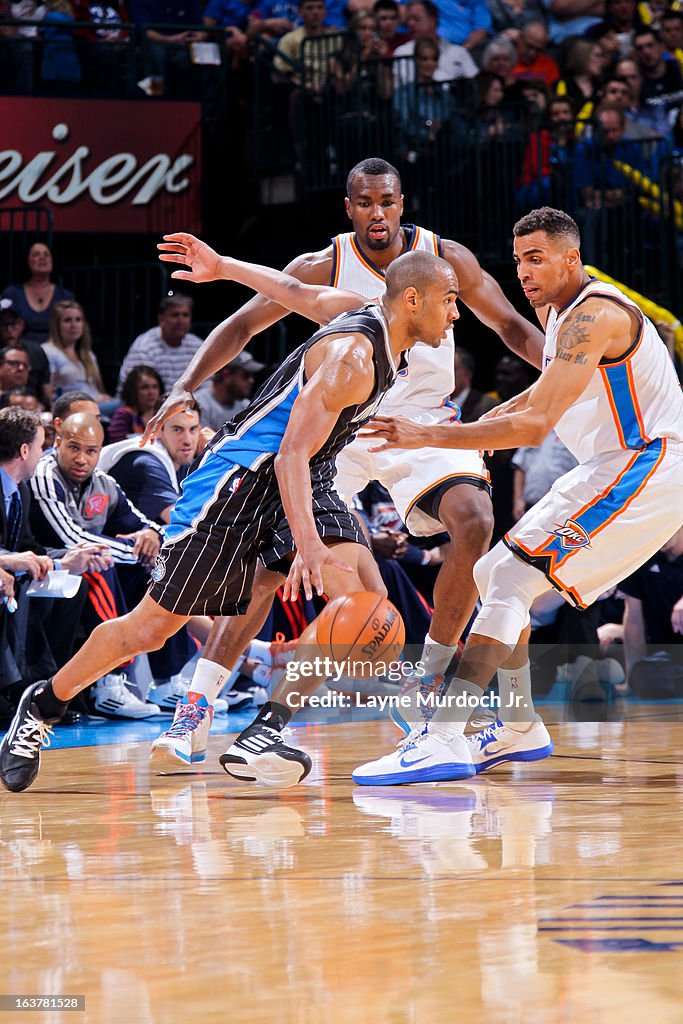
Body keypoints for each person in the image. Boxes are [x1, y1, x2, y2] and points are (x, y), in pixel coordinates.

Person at [0, 245, 459, 792]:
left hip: (306, 473)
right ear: (412, 300)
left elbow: (293, 292)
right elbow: (287, 452)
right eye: (449, 301)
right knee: (148, 630)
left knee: (361, 597)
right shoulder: (353, 361)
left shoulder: (361, 313)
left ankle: (265, 729)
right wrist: (308, 546)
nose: (456, 314)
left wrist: (224, 267)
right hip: (238, 483)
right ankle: (42, 704)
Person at [146, 157, 544, 772]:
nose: (377, 213)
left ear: (402, 203)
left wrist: (575, 379)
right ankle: (197, 707)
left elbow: (515, 330)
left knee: (475, 521)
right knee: (271, 568)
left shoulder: (446, 261)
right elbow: (244, 323)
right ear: (349, 207)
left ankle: (433, 682)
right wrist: (187, 385)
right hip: (342, 431)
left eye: (387, 201)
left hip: (423, 426)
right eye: (364, 203)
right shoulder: (324, 266)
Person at [352, 206, 683, 784]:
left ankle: (445, 733)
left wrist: (429, 434)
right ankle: (519, 724)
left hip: (649, 464)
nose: (524, 273)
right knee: (497, 576)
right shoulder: (562, 320)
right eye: (518, 262)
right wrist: (476, 438)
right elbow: (532, 402)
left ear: (571, 259)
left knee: (508, 573)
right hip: (614, 467)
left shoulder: (594, 317)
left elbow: (534, 428)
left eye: (537, 259)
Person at [29, 412, 164, 720]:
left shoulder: (105, 483)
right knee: (99, 562)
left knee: (158, 571)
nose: (81, 459)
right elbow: (74, 538)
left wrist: (150, 536)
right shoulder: (44, 475)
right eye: (74, 448)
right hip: (44, 565)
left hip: (75, 571)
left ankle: (169, 679)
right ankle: (109, 683)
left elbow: (145, 525)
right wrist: (135, 549)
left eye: (91, 451)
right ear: (58, 442)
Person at [116, 295, 206, 396]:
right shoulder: (145, 347)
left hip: (186, 403)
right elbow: (143, 393)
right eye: (175, 315)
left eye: (185, 315)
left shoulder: (197, 345)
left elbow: (208, 385)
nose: (180, 321)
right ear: (161, 319)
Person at [42, 301, 114, 409]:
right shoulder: (49, 351)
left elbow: (97, 388)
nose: (74, 325)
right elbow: (50, 396)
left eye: (78, 320)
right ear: (56, 325)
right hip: (74, 409)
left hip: (98, 406)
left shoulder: (88, 354)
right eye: (67, 320)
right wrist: (91, 400)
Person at [1, 242, 74, 345]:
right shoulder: (12, 293)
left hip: (56, 352)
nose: (42, 258)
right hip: (20, 353)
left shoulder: (65, 296)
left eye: (46, 255)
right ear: (27, 261)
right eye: (36, 255)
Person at [0, 299, 52, 406]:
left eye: (14, 323)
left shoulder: (36, 351)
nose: (9, 329)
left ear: (21, 324)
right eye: (3, 324)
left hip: (34, 408)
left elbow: (47, 392)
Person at [197, 350, 264, 432]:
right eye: (246, 375)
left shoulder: (245, 405)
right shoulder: (199, 404)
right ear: (226, 375)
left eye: (252, 376)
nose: (251, 381)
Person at [107, 365, 164, 443]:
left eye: (155, 387)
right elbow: (117, 446)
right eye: (144, 387)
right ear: (133, 391)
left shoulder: (165, 415)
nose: (151, 392)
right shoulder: (123, 415)